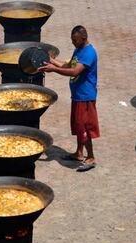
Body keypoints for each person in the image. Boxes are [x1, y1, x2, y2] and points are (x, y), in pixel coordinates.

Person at [39, 25, 99, 171]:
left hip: (85, 97)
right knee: (78, 125)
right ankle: (79, 153)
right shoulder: (79, 50)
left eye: (75, 40)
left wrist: (54, 69)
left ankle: (90, 157)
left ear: (83, 38)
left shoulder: (89, 53)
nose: (72, 43)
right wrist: (52, 61)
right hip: (78, 95)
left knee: (84, 127)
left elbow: (74, 71)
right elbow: (68, 65)